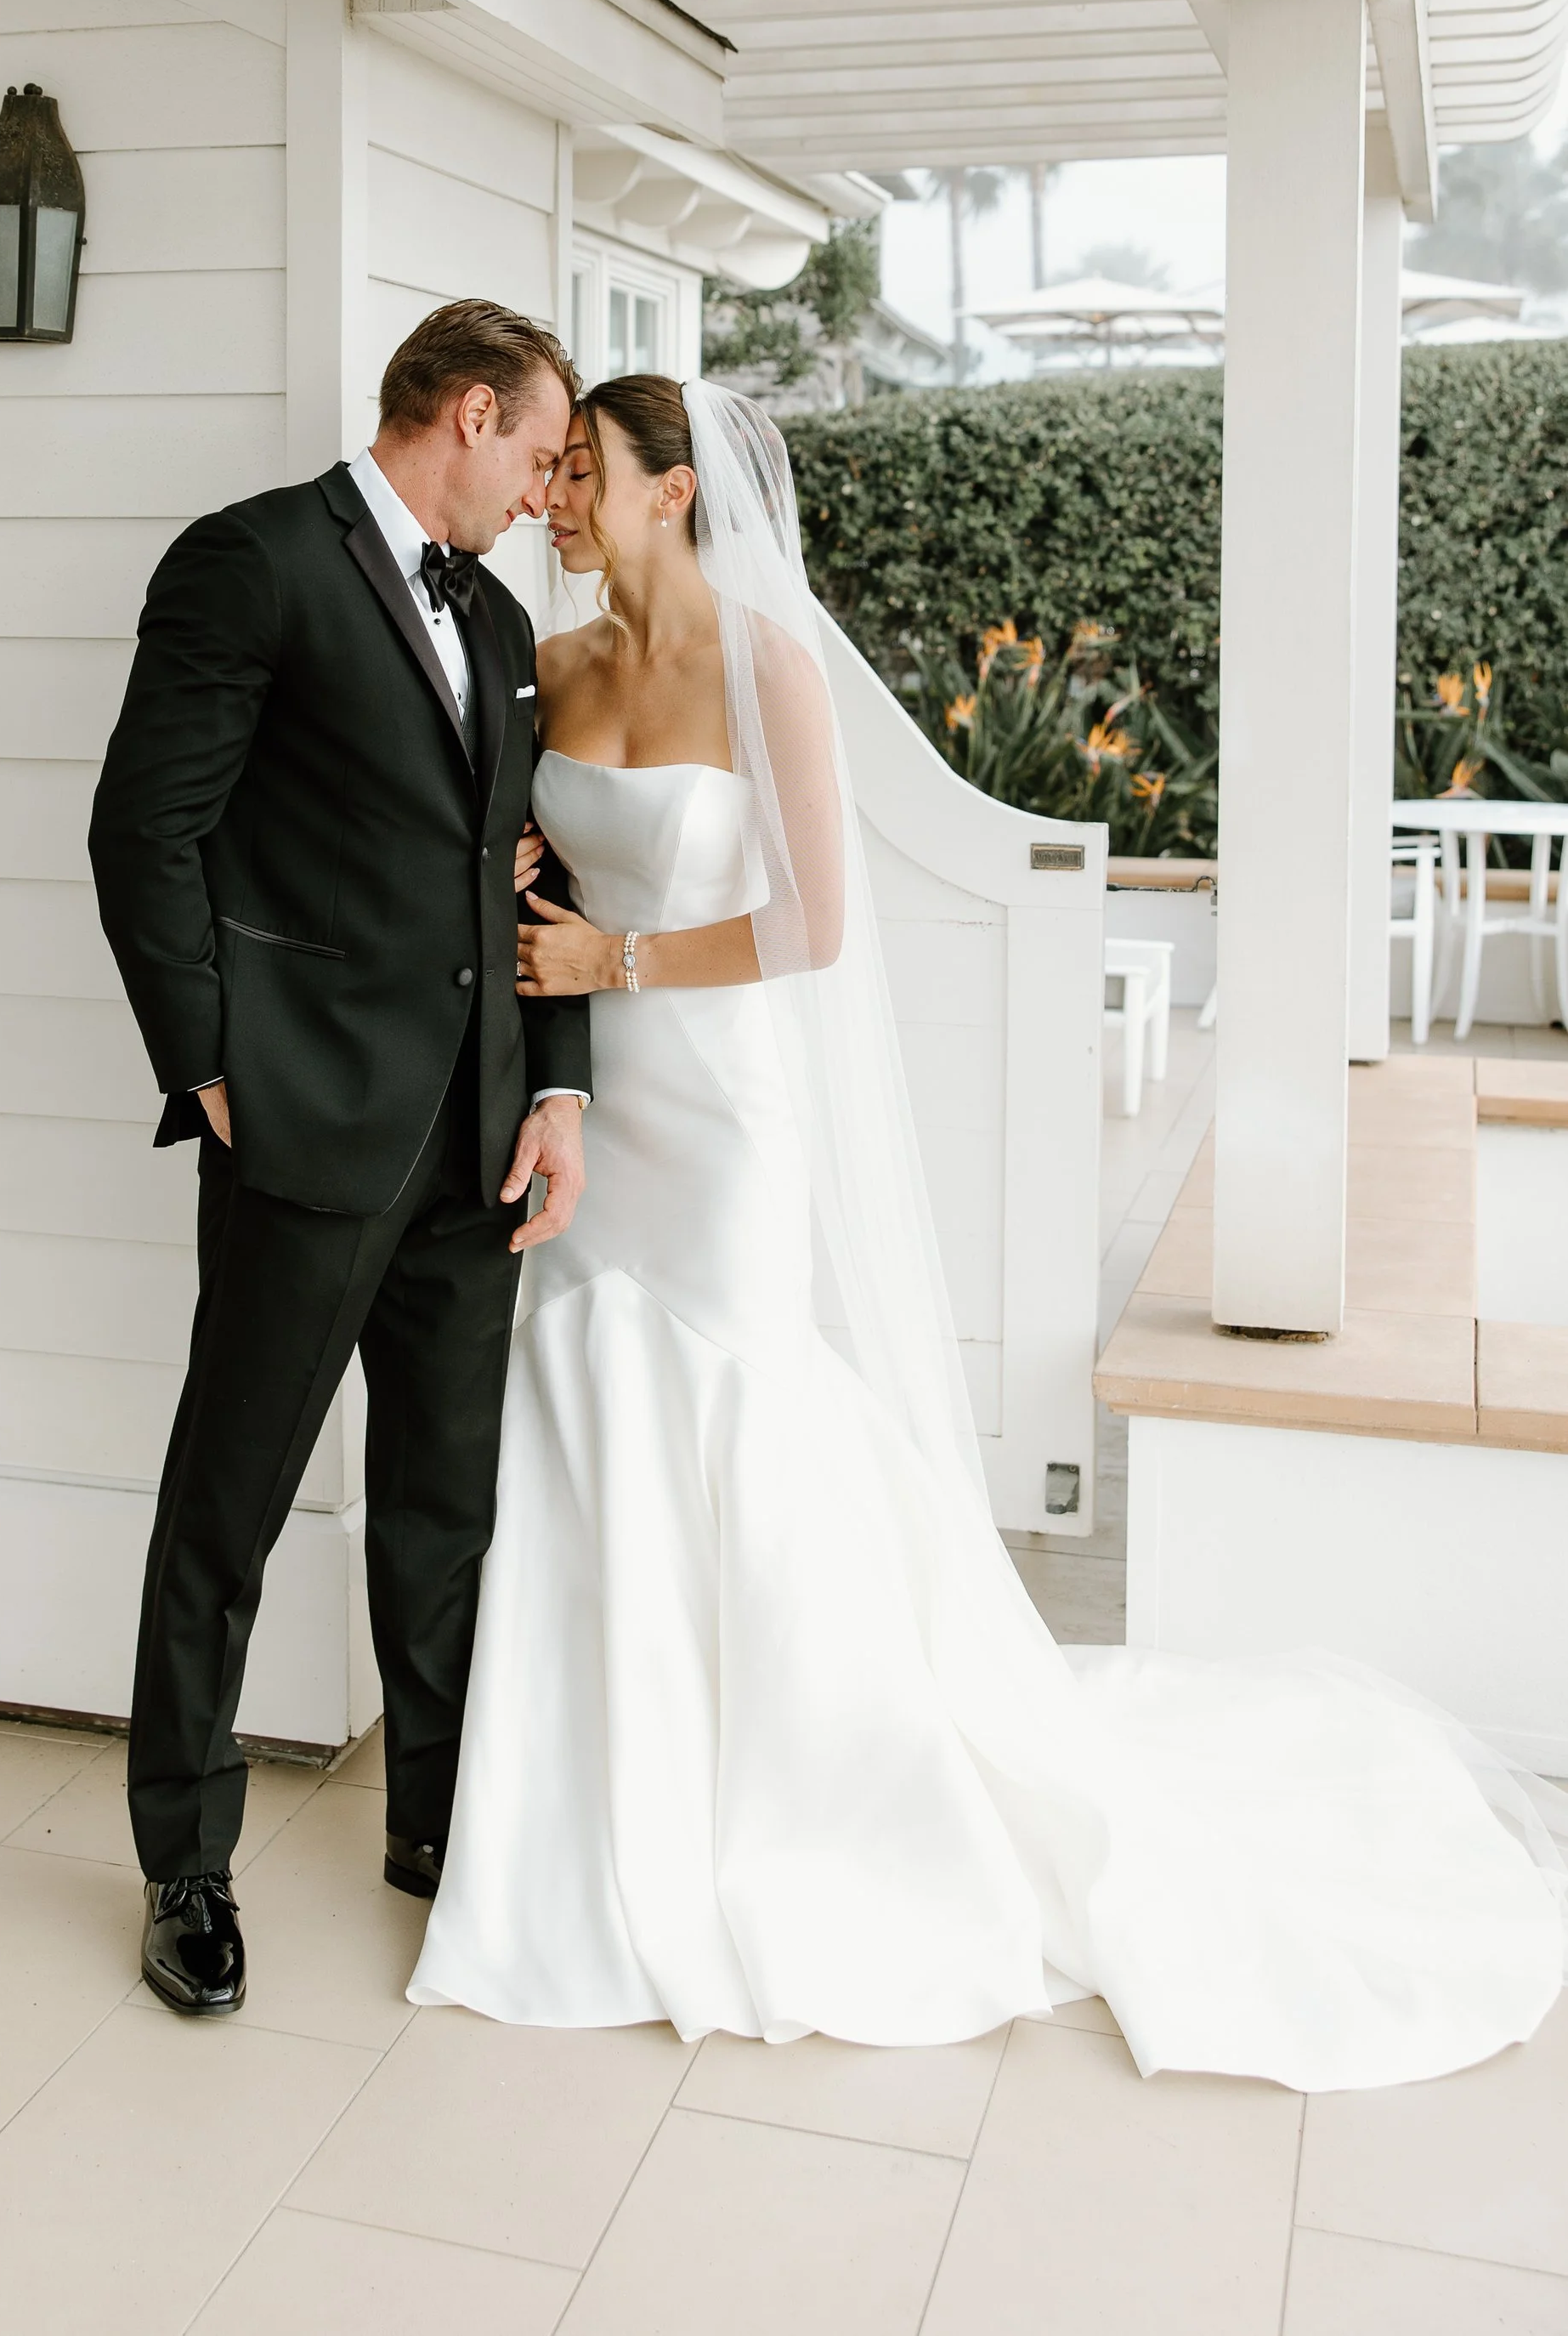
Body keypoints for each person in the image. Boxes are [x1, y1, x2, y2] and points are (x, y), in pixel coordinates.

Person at [410, 371, 1565, 2089]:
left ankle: (800, 1789)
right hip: (591, 1108)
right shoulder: (548, 669)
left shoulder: (766, 668)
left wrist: (618, 959)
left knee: (729, 1404)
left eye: (583, 471)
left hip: (717, 1114)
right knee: (584, 1410)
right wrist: (530, 911)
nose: (553, 496)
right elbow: (519, 852)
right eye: (549, 467)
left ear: (670, 491)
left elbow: (809, 923)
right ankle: (585, 1797)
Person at [90, 299, 592, 2017]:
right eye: (533, 453)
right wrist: (211, 1067)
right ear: (465, 415)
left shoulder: (505, 618)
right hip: (303, 1125)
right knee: (226, 1502)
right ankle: (185, 1863)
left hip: (475, 1144)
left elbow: (535, 876)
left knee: (444, 1509)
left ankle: (436, 1823)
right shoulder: (251, 565)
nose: (541, 491)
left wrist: (559, 1089)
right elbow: (140, 826)